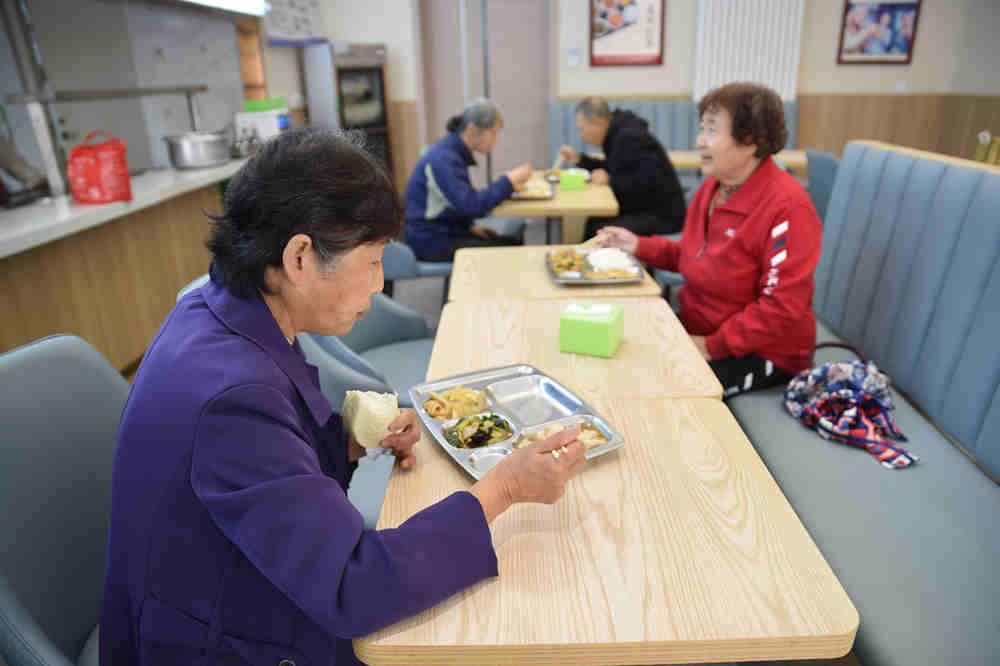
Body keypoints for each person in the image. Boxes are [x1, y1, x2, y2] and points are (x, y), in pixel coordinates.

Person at [100, 128, 587, 665]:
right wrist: (506, 487)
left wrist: (354, 442)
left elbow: (265, 475)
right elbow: (353, 586)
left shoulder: (215, 309)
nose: (379, 285)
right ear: (301, 256)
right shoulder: (232, 397)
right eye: (373, 260)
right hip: (218, 638)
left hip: (230, 577)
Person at [598, 83, 822, 398]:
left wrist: (712, 346)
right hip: (702, 330)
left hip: (765, 353)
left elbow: (780, 306)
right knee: (624, 357)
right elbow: (696, 256)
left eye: (712, 130)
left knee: (655, 390)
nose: (699, 140)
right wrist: (637, 245)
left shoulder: (787, 206)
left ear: (750, 141)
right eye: (702, 128)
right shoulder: (713, 187)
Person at [405, 98, 533, 261]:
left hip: (440, 230)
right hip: (429, 239)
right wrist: (508, 181)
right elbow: (471, 205)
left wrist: (468, 227)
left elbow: (456, 203)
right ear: (472, 129)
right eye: (493, 133)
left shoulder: (450, 151)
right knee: (509, 251)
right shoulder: (444, 158)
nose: (496, 139)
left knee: (511, 241)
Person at [558, 97, 686, 239]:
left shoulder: (629, 137)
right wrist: (579, 159)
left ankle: (593, 261)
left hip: (663, 216)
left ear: (597, 122)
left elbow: (645, 182)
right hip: (646, 208)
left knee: (598, 229)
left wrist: (611, 180)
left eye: (581, 128)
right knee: (594, 221)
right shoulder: (617, 133)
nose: (581, 135)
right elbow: (614, 167)